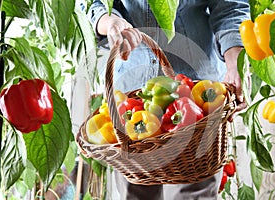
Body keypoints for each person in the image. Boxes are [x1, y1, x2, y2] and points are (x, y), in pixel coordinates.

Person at [87, 0, 250, 199]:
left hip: (196, 94)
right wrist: (107, 20)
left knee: (194, 192)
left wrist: (235, 64)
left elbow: (230, 6)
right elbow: (91, 3)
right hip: (133, 99)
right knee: (136, 192)